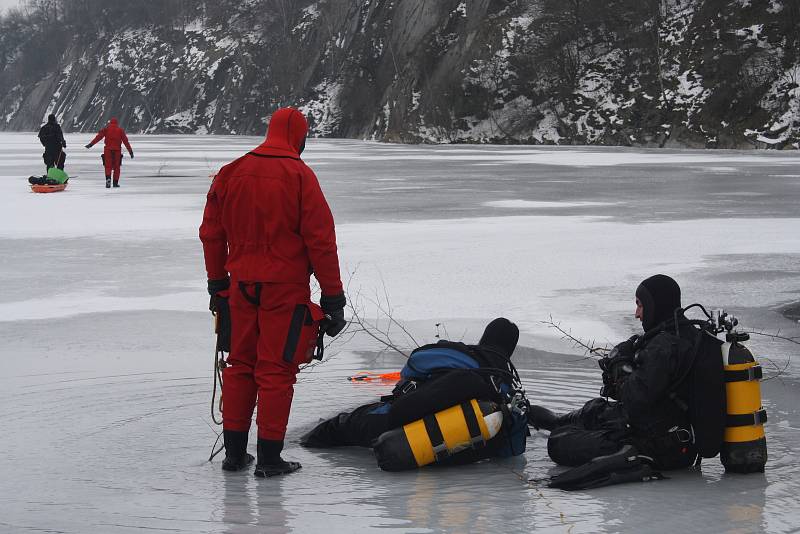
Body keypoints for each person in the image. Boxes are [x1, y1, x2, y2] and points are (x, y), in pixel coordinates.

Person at [200, 107, 346, 478]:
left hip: (240, 287)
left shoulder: (230, 173)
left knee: (240, 365)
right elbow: (321, 242)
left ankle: (234, 455)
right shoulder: (300, 176)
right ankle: (269, 459)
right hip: (284, 289)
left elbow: (211, 233)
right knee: (276, 370)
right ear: (300, 136)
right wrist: (333, 298)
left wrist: (218, 284)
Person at [528, 274, 700, 488]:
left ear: (655, 305)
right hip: (665, 430)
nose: (637, 314)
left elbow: (634, 398)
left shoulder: (664, 346)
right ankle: (557, 422)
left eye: (640, 305)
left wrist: (619, 363)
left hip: (657, 445)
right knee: (596, 408)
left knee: (558, 442)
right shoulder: (686, 335)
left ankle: (564, 430)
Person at [301, 318, 530, 468]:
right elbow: (512, 451)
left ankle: (295, 447)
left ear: (484, 338)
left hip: (394, 420)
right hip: (441, 448)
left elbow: (413, 365)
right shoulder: (507, 386)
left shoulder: (458, 353)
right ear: (510, 351)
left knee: (338, 426)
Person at [85, 118, 133, 188]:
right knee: (117, 167)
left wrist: (90, 144)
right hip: (117, 151)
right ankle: (115, 183)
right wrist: (130, 152)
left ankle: (108, 179)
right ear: (117, 123)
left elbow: (98, 137)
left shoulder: (106, 129)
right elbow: (126, 142)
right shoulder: (120, 130)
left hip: (108, 150)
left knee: (108, 166)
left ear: (110, 123)